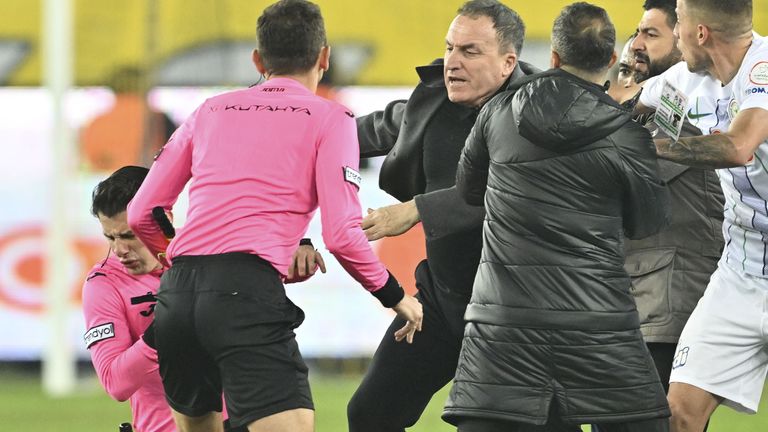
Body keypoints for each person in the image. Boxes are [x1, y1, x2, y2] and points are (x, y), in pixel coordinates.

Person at [126, 1, 423, 432]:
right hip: (243, 297)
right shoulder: (331, 117)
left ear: (257, 60)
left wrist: (183, 263)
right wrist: (396, 297)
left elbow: (142, 213)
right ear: (324, 57)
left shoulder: (209, 110)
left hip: (177, 297)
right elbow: (341, 234)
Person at [443, 2, 671, 431]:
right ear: (608, 60)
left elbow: (469, 192)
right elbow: (648, 224)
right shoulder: (627, 133)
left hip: (502, 331)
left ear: (553, 56)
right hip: (598, 327)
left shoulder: (496, 112)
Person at [346, 1, 535, 430]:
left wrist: (416, 210)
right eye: (449, 48)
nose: (452, 62)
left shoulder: (538, 109)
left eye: (469, 51)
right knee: (370, 413)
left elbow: (507, 188)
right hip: (441, 299)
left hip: (514, 312)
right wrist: (292, 131)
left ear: (508, 62)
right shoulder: (431, 101)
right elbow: (363, 131)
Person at [639, 0, 768, 430]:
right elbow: (625, 104)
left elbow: (738, 147)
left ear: (701, 33)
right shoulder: (684, 82)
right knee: (679, 413)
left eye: (679, 21)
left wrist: (644, 148)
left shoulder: (763, 68)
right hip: (739, 271)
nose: (674, 32)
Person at [83, 166, 260, 432]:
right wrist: (167, 326)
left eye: (129, 235)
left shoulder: (205, 251)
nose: (120, 250)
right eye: (110, 237)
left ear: (162, 218)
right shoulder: (104, 284)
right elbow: (115, 383)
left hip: (242, 421)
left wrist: (301, 246)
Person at [625, 0, 724, 398]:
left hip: (668, 297)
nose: (636, 44)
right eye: (636, 32)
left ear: (682, 41)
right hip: (641, 295)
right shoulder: (651, 107)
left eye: (651, 34)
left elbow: (630, 177)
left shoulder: (683, 109)